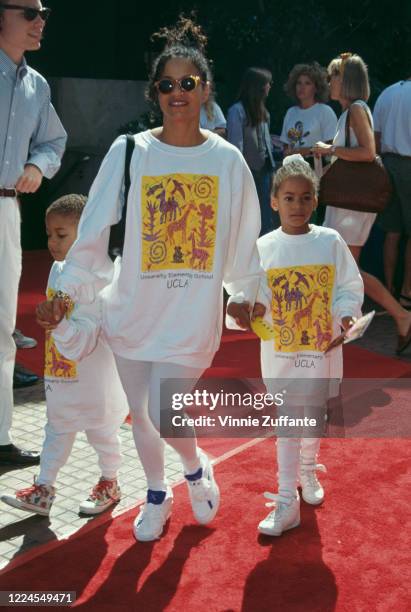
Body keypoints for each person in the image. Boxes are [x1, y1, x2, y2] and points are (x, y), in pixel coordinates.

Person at [39, 16, 262, 541]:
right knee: (140, 414)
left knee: (166, 412)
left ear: (206, 89)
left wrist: (247, 295)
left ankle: (193, 464)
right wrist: (65, 295)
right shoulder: (130, 151)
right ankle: (158, 493)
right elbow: (93, 233)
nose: (178, 92)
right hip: (133, 307)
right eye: (167, 84)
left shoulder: (227, 161)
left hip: (190, 317)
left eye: (189, 83)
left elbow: (243, 241)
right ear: (154, 92)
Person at [240, 155, 363, 536]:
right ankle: (285, 498)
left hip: (320, 351)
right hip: (281, 354)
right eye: (288, 198)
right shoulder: (261, 248)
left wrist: (346, 315)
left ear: (316, 201)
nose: (297, 205)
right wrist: (247, 309)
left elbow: (348, 286)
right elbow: (248, 297)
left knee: (312, 417)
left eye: (305, 197)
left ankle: (308, 469)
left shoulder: (329, 241)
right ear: (274, 200)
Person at [1, 194, 128, 516]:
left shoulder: (102, 278)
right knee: (56, 429)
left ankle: (109, 482)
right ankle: (43, 488)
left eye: (61, 235)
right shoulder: (58, 270)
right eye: (49, 234)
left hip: (94, 377)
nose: (52, 242)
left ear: (87, 235)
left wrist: (58, 326)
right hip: (60, 373)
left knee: (102, 433)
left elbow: (86, 335)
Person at [0, 0, 67, 466]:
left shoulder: (38, 86)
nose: (39, 19)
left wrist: (36, 166)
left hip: (7, 208)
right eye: (29, 11)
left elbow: (54, 141)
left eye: (43, 11)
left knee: (3, 327)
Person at [313, 53, 411, 354]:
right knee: (341, 267)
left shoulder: (356, 109)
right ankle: (356, 322)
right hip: (346, 203)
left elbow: (368, 152)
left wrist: (329, 149)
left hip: (352, 205)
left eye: (334, 76)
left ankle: (398, 315)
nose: (330, 82)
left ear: (347, 80)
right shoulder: (349, 111)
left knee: (345, 268)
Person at [373, 77, 411, 307]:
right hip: (409, 164)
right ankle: (407, 292)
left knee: (392, 231)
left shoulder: (387, 91)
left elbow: (375, 138)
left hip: (386, 164)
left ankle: (388, 290)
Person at [227, 67, 275, 235]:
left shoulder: (264, 112)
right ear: (258, 87)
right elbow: (236, 146)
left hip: (266, 172)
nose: (269, 87)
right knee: (249, 220)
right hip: (248, 173)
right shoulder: (237, 111)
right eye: (267, 83)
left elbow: (266, 144)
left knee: (267, 219)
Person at [281, 62, 337, 162]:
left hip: (317, 169)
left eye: (307, 83)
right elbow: (285, 145)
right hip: (292, 168)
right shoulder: (290, 112)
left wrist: (304, 151)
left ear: (316, 88)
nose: (302, 87)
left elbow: (332, 148)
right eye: (299, 83)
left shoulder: (325, 112)